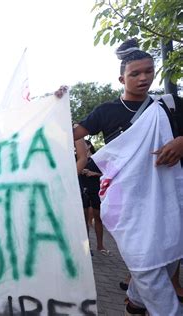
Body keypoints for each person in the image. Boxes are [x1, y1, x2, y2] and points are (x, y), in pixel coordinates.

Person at [73, 39, 183, 315]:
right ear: (122, 78)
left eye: (148, 71)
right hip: (127, 205)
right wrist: (57, 103)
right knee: (146, 265)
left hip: (166, 199)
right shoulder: (106, 112)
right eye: (135, 73)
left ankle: (134, 302)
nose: (143, 77)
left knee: (167, 260)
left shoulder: (171, 106)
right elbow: (67, 132)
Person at [79, 139, 109, 255]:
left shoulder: (98, 158)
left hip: (96, 190)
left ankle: (100, 246)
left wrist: (93, 173)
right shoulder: (77, 159)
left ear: (89, 146)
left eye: (83, 144)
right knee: (84, 220)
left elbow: (107, 173)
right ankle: (87, 247)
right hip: (83, 190)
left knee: (98, 219)